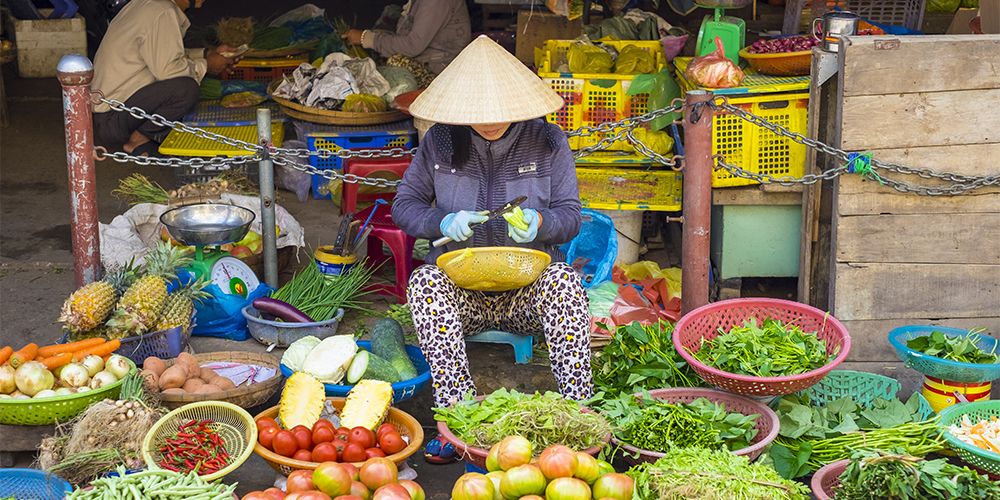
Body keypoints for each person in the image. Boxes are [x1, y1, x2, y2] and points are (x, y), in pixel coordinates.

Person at [392, 35, 593, 413]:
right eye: (478, 113)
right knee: (423, 283)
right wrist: (442, 221)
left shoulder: (547, 140)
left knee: (565, 283)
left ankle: (579, 412)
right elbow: (404, 206)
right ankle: (457, 412)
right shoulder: (440, 140)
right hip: (461, 292)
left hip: (527, 294)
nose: (489, 122)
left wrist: (541, 223)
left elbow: (571, 216)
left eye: (499, 110)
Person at [91, 0, 238, 156]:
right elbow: (169, 70)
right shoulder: (162, 11)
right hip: (114, 119)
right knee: (185, 89)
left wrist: (206, 54)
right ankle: (138, 139)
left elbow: (165, 53)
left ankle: (144, 134)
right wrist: (207, 64)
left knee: (183, 86)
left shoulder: (152, 5)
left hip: (111, 117)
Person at [341, 0, 471, 87]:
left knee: (395, 62)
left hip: (442, 74)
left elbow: (412, 45)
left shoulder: (436, 2)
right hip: (428, 62)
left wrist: (366, 38)